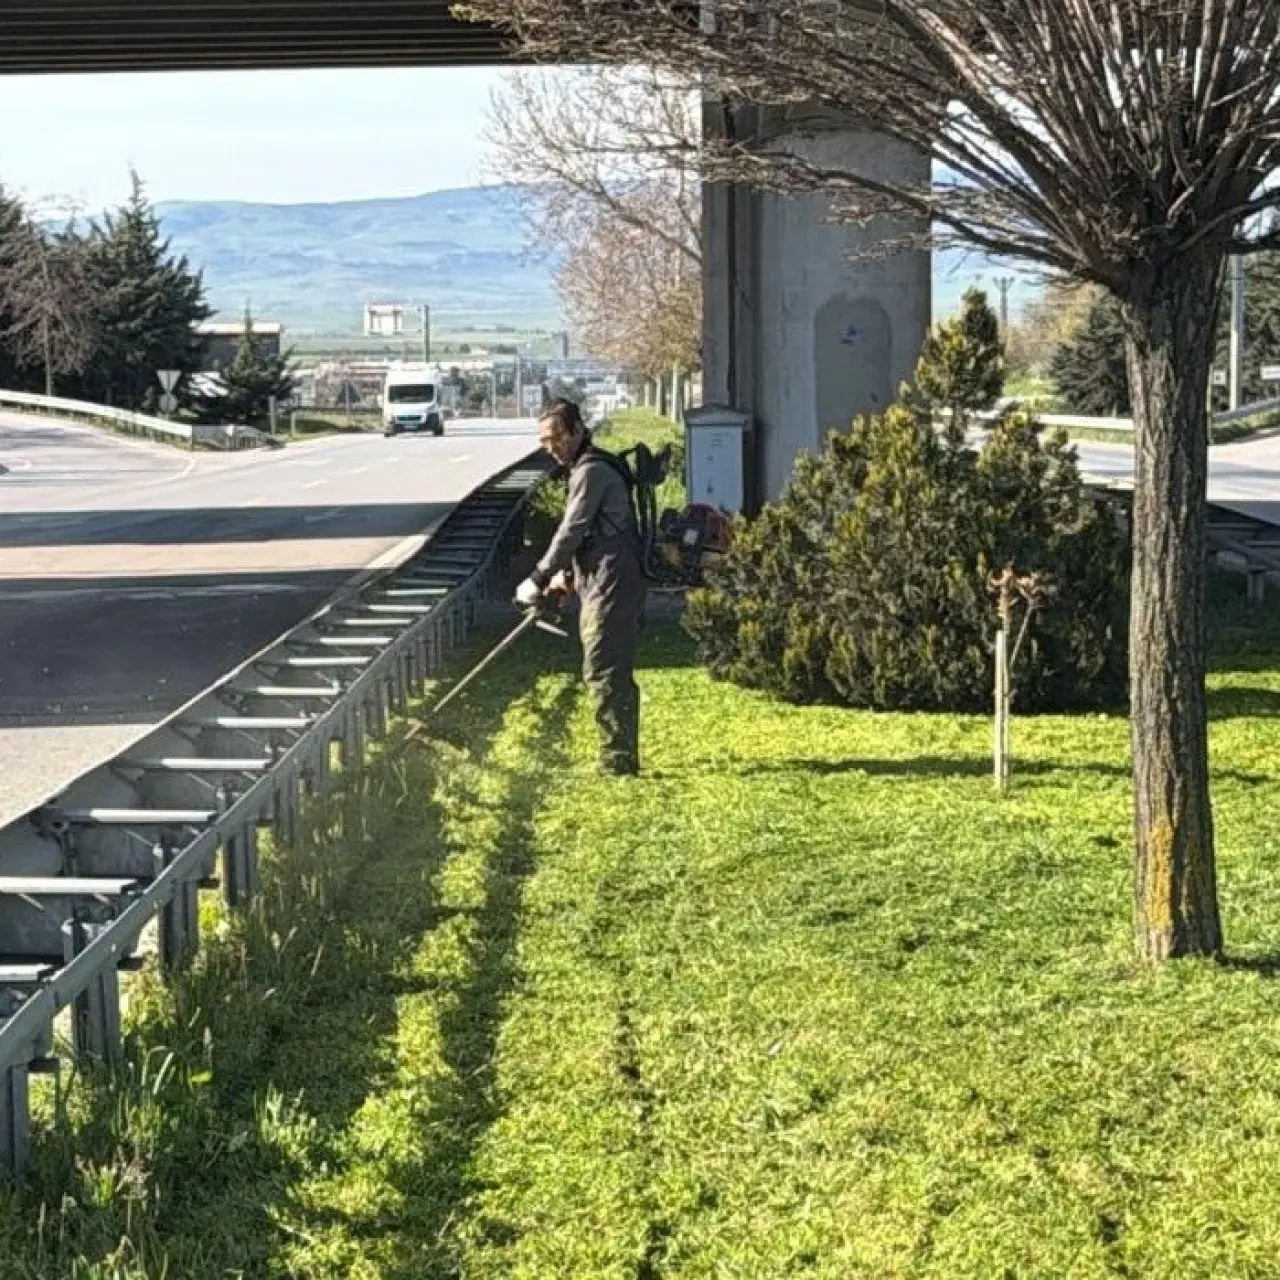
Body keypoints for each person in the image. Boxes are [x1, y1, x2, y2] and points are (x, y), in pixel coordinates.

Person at [517, 399, 644, 776]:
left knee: (604, 666)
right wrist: (567, 577)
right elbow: (593, 533)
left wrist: (539, 576)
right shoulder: (587, 468)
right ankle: (618, 754)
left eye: (556, 438)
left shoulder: (591, 472)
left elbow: (572, 530)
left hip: (612, 580)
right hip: (603, 577)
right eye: (543, 442)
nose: (550, 448)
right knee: (606, 664)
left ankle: (617, 760)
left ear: (575, 431)